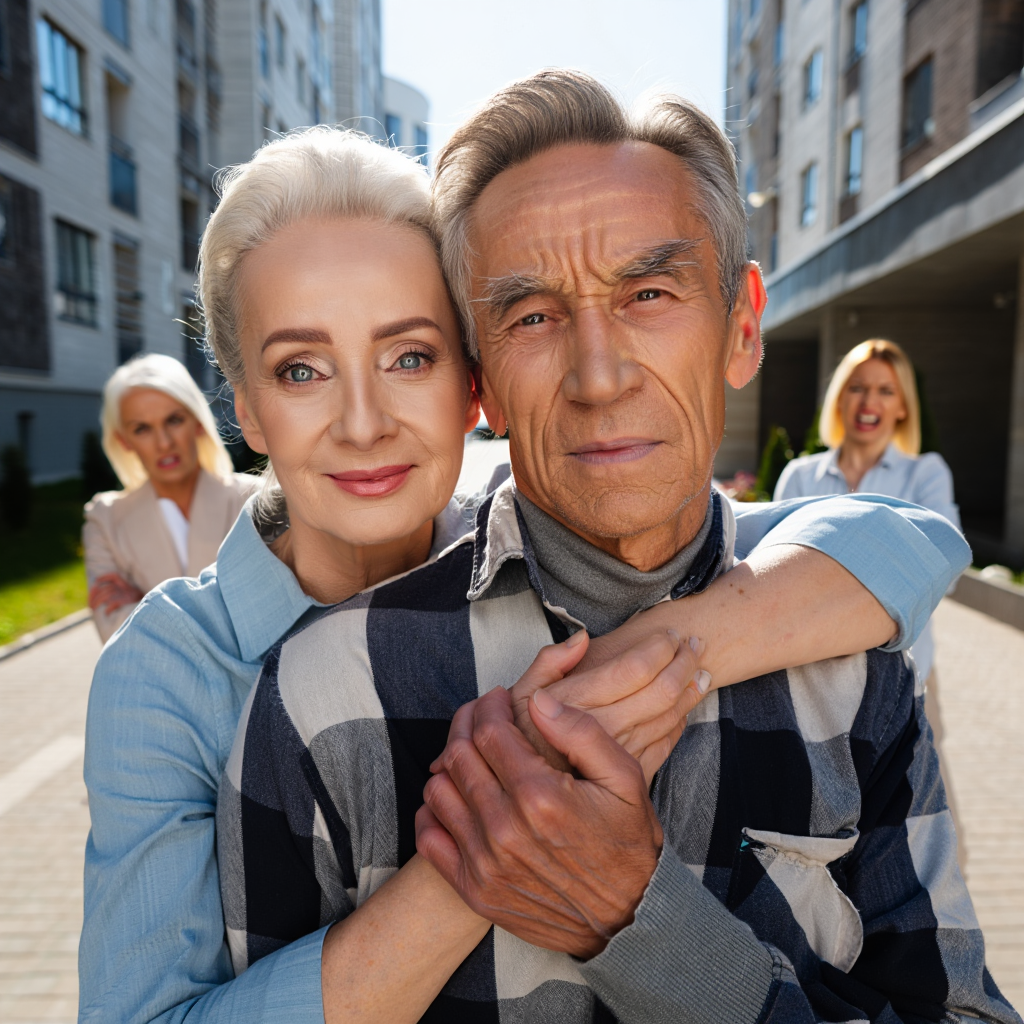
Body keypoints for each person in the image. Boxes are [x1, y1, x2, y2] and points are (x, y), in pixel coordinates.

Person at [80, 129, 970, 1024]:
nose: (362, 424)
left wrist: (668, 648)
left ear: (472, 386)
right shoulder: (184, 671)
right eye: (301, 369)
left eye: (409, 357)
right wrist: (504, 833)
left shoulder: (566, 520)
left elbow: (901, 542)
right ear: (246, 408)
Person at [774, 338, 959, 684]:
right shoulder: (799, 476)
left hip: (904, 679)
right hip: (810, 679)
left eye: (886, 391)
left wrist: (823, 573)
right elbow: (773, 576)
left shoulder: (927, 474)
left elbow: (945, 570)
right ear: (840, 398)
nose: (869, 402)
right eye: (857, 388)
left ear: (903, 406)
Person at [83, 354, 259, 642]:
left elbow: (268, 616)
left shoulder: (256, 500)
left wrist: (145, 606)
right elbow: (115, 632)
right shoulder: (104, 519)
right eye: (142, 429)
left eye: (174, 420)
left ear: (198, 422)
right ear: (124, 441)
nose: (164, 443)